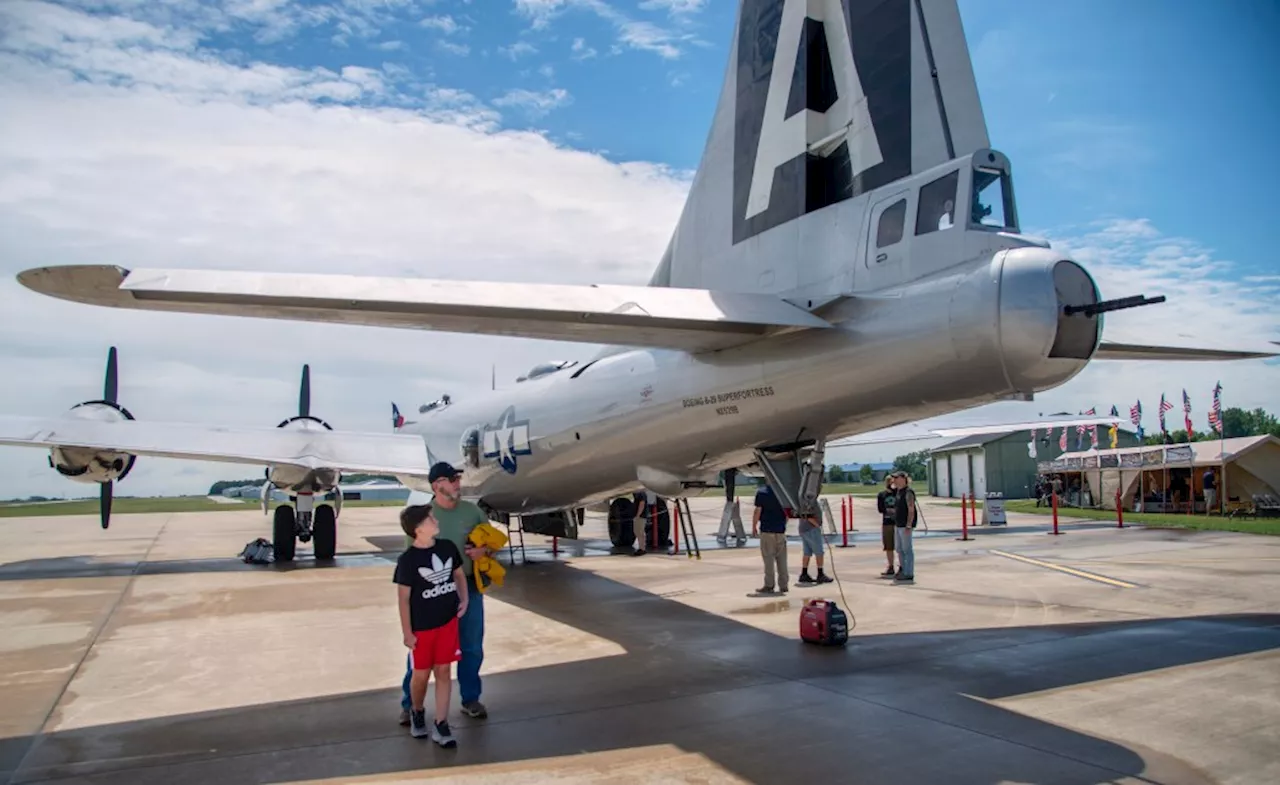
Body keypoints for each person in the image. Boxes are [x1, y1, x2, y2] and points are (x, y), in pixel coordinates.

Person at [399, 462, 493, 725]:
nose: (457, 483)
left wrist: (483, 552)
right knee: (422, 656)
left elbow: (491, 544)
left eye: (457, 478)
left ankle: (470, 699)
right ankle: (410, 704)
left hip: (470, 590)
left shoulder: (473, 512)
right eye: (451, 479)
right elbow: (412, 561)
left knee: (472, 648)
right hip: (433, 596)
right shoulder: (423, 519)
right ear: (436, 486)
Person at [394, 502, 467, 747]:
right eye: (430, 519)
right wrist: (407, 632)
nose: (435, 521)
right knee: (421, 675)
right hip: (422, 627)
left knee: (444, 671)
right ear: (418, 529)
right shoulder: (408, 560)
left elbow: (458, 574)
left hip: (447, 622)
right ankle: (417, 710)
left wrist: (464, 598)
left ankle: (441, 723)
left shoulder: (446, 548)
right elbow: (404, 599)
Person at [750, 481, 788, 594]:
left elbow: (758, 511)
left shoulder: (762, 493)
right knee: (782, 559)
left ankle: (769, 585)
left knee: (768, 559)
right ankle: (784, 584)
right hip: (780, 530)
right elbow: (787, 513)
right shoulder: (783, 493)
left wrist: (754, 526)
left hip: (767, 529)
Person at [892, 472, 916, 583]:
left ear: (903, 479)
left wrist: (909, 525)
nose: (895, 480)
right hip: (898, 524)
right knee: (899, 548)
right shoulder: (898, 492)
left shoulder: (908, 492)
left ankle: (909, 572)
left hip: (905, 525)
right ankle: (902, 569)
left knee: (907, 549)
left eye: (897, 478)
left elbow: (911, 509)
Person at [796, 510, 832, 585]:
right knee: (819, 552)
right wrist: (817, 525)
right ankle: (820, 574)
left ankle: (804, 573)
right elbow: (807, 515)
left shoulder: (803, 501)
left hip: (803, 529)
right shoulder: (810, 502)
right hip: (811, 529)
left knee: (807, 552)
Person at [875, 476, 897, 577]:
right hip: (887, 523)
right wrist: (889, 510)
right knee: (889, 546)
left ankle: (902, 566)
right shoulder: (881, 495)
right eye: (889, 481)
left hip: (898, 523)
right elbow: (880, 509)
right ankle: (891, 566)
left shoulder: (898, 493)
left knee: (901, 547)